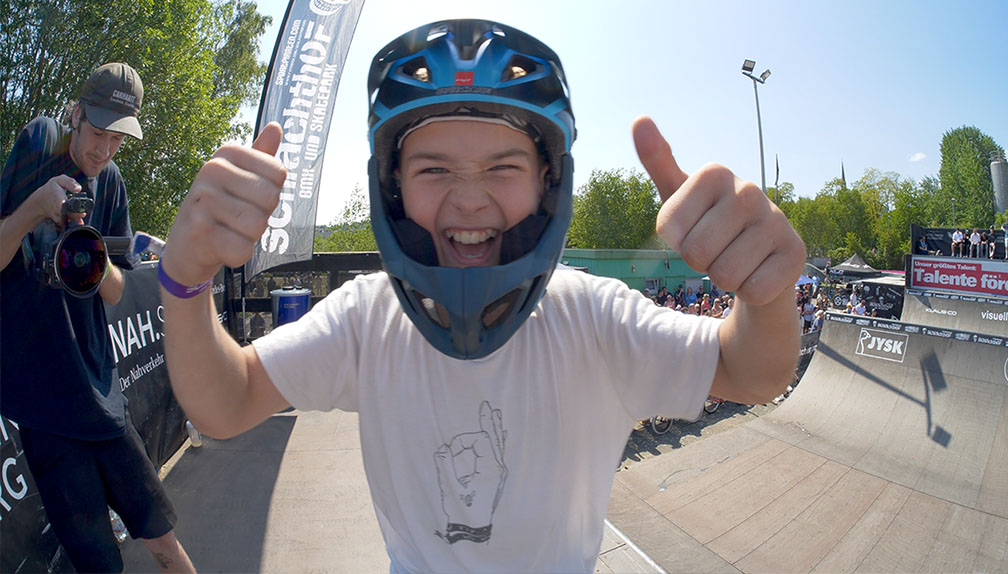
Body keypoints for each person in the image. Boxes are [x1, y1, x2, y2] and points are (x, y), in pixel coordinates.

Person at [157, 20, 805, 573]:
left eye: (503, 167)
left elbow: (752, 370)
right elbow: (227, 401)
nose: (468, 199)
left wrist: (766, 293)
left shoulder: (594, 319)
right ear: (394, 190)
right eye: (434, 168)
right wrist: (185, 280)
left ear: (548, 185)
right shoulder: (367, 318)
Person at [0, 63, 194, 573]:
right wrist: (38, 209)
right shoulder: (41, 142)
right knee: (101, 566)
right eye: (98, 133)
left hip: (104, 397)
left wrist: (89, 254)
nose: (104, 150)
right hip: (47, 409)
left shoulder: (110, 183)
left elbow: (118, 290)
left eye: (117, 140)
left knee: (164, 543)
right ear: (77, 112)